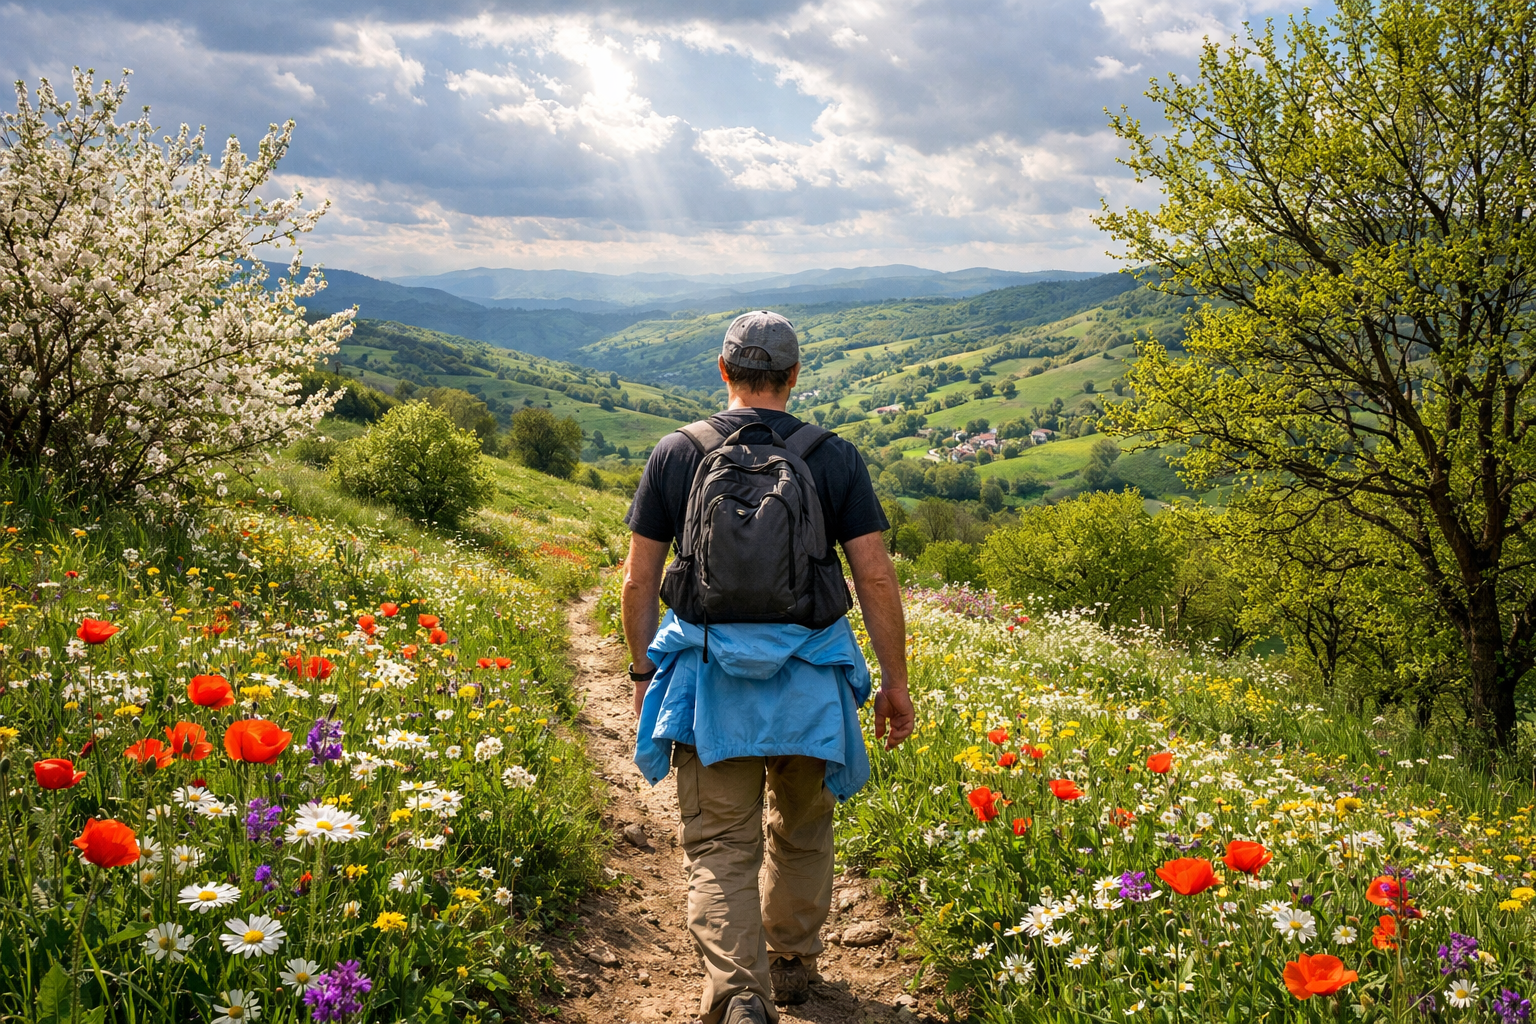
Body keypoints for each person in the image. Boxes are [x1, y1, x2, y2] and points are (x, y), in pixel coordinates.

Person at [621, 310, 914, 1024]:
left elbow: (638, 581)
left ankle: (737, 996)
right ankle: (791, 960)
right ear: (793, 375)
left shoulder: (677, 453)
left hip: (712, 681)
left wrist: (641, 675)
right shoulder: (832, 456)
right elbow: (874, 578)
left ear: (723, 372)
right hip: (810, 684)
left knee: (721, 844)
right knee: (803, 825)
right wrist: (895, 685)